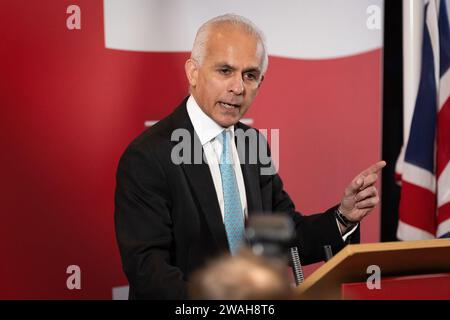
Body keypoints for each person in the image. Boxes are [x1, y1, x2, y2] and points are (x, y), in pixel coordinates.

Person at [114, 13, 386, 299]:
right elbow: (148, 270)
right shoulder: (147, 156)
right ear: (193, 72)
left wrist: (343, 217)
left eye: (250, 75)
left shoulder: (251, 143)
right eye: (224, 71)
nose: (238, 88)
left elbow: (283, 232)